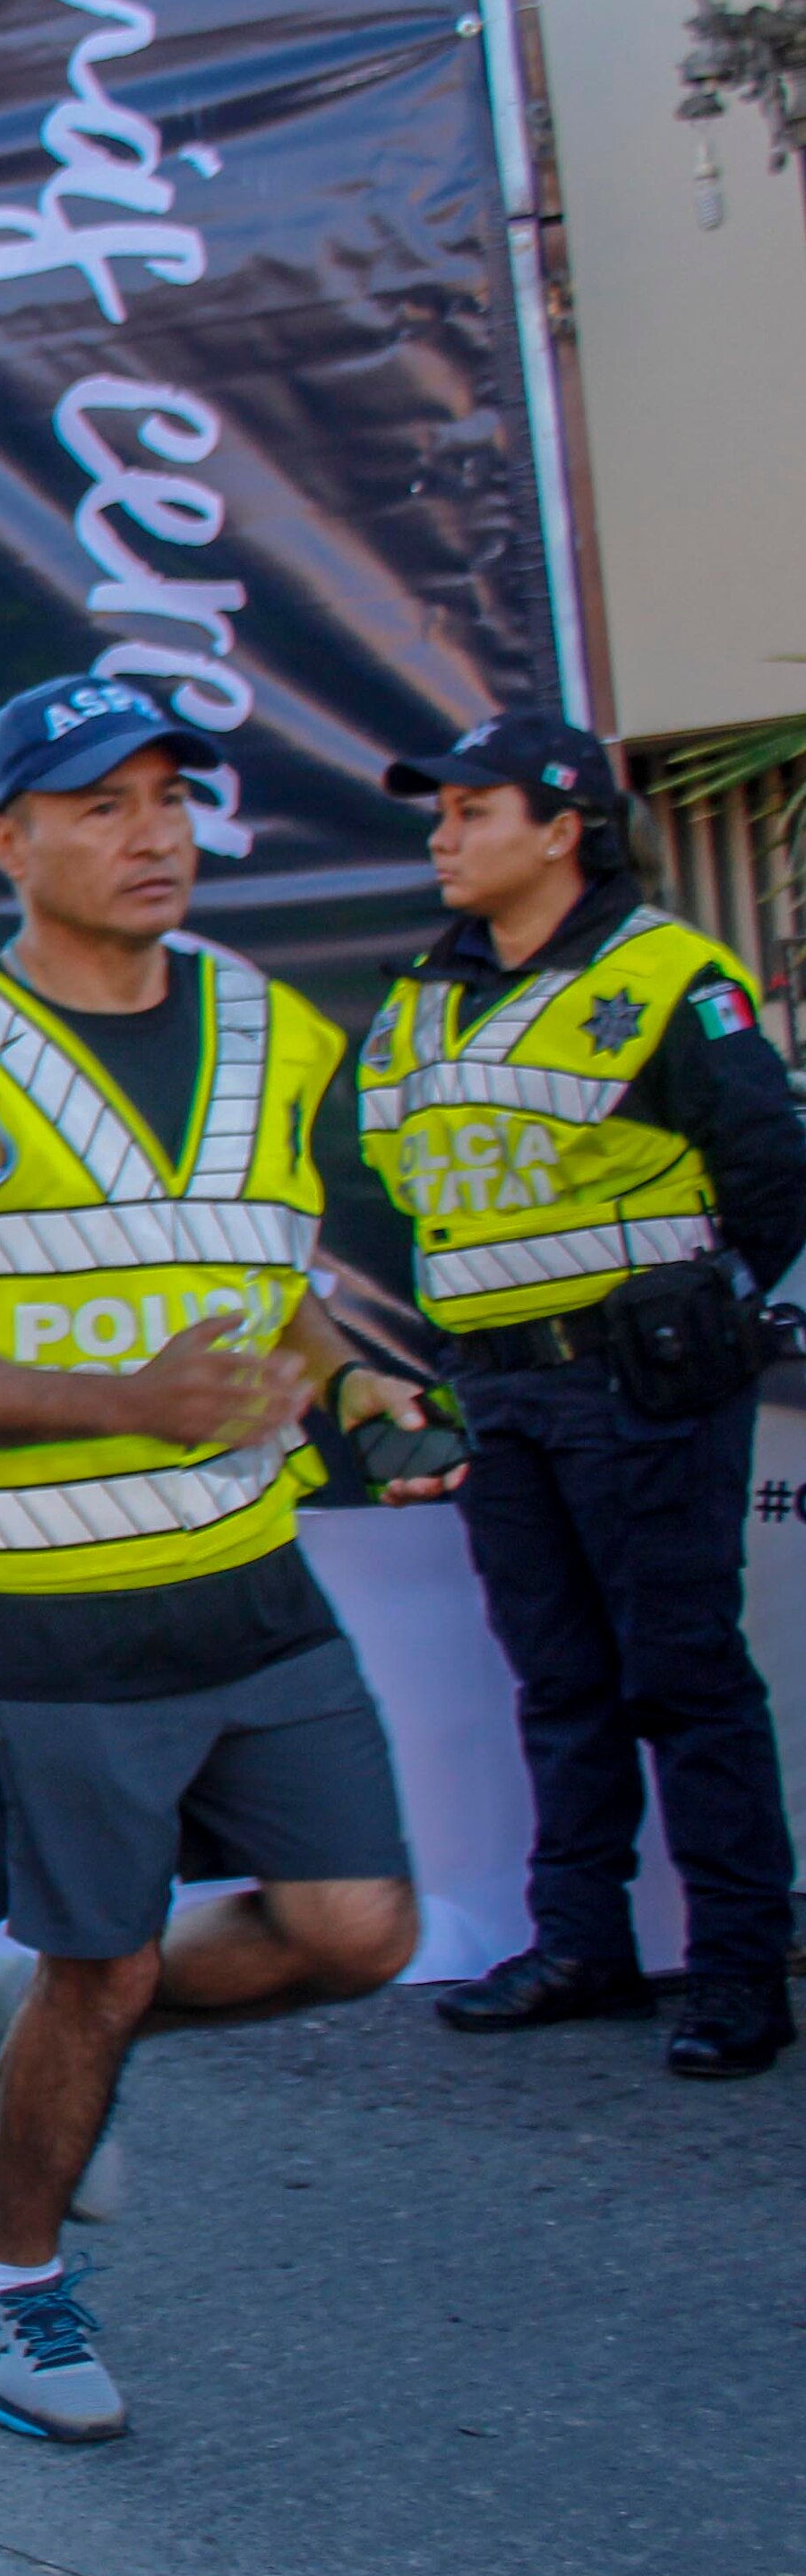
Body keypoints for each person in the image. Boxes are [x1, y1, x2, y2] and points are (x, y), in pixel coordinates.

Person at [0, 675, 445, 2445]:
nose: (150, 831)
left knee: (357, 1928)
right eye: (98, 803)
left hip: (249, 1586)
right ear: (8, 841)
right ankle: (1, 2285)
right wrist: (128, 1396)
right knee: (98, 1968)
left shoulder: (274, 1032)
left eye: (168, 795)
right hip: (45, 1610)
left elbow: (277, 1286)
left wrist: (362, 1377)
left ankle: (56, 2009)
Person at [366, 711, 801, 2078]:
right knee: (560, 1681)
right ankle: (582, 1945)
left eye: (473, 811)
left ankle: (739, 1972)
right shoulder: (419, 995)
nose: (444, 836)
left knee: (685, 1677)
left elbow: (775, 1173)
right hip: (500, 1391)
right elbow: (391, 1181)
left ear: (565, 828)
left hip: (640, 1383)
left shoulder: (671, 973)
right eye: (437, 814)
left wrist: (703, 1316)